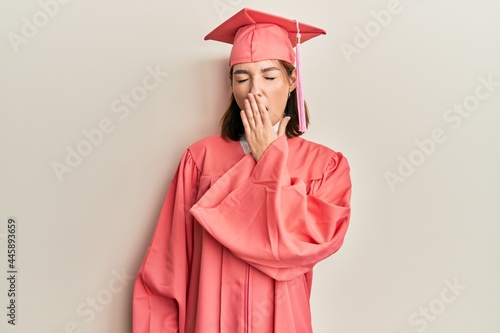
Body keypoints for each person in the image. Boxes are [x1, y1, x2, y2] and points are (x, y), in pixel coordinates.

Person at [132, 8, 352, 333]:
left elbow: (312, 241)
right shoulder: (201, 158)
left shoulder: (324, 165)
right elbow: (168, 268)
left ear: (292, 80)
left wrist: (269, 158)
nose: (254, 90)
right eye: (242, 77)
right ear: (231, 85)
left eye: (269, 75)